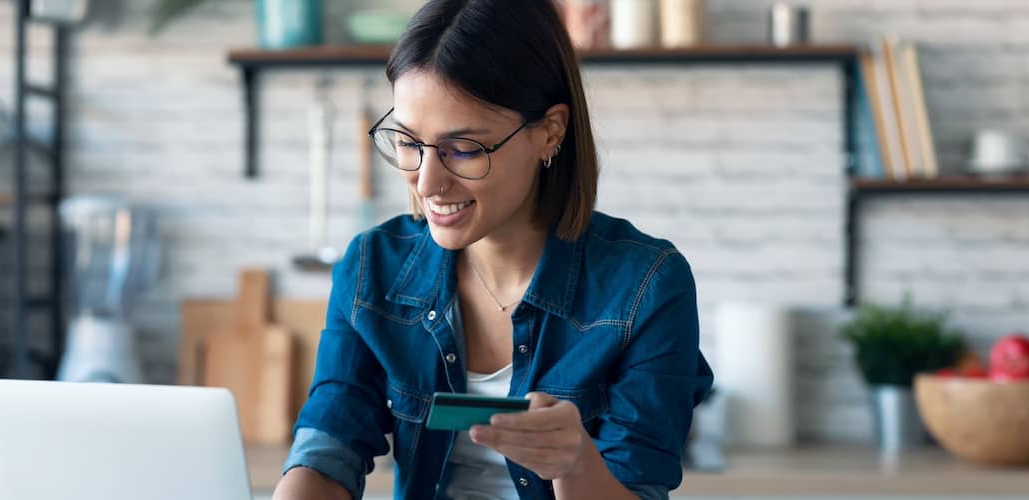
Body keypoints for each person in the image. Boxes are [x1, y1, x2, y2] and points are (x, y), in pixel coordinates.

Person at [274, 1, 713, 499]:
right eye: (408, 141)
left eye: (464, 148)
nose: (427, 181)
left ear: (550, 131)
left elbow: (639, 486)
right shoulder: (371, 267)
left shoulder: (646, 286)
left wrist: (574, 463)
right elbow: (329, 447)